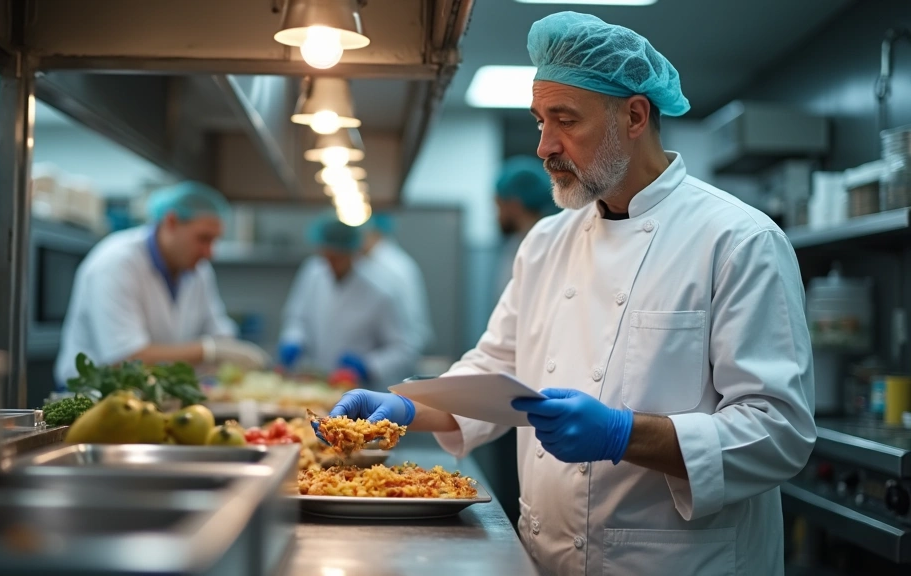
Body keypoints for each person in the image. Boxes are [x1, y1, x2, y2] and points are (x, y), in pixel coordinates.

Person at [321, 11, 815, 576]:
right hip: (545, 555)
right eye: (538, 121)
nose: (544, 146)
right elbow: (497, 366)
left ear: (634, 115)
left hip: (679, 562)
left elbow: (779, 430)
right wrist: (406, 410)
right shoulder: (547, 240)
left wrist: (622, 434)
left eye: (565, 120)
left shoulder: (737, 239)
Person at [54, 181, 268, 386]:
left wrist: (228, 350)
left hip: (153, 398)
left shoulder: (198, 270)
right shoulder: (116, 263)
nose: (210, 252)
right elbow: (125, 358)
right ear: (171, 222)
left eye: (214, 241)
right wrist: (209, 351)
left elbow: (217, 331)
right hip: (91, 400)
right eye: (203, 238)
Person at [278, 215, 415, 390]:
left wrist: (368, 365)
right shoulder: (313, 272)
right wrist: (293, 339)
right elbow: (297, 318)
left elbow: (404, 349)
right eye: (327, 256)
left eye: (337, 257)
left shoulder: (380, 290)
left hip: (360, 390)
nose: (331, 264)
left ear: (352, 252)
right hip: (316, 384)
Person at [359, 214, 434, 353]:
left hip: (400, 350)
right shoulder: (382, 261)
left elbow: (409, 321)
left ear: (372, 232)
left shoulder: (391, 266)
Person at [493, 156, 559, 304]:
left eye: (499, 206)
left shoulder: (547, 249)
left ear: (514, 204)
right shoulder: (515, 244)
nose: (497, 216)